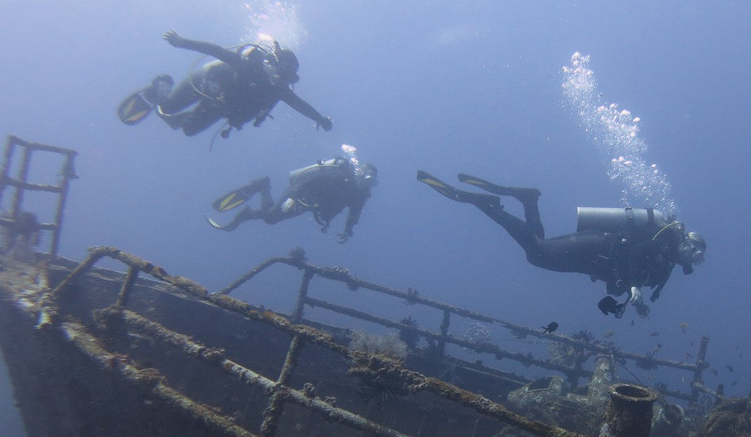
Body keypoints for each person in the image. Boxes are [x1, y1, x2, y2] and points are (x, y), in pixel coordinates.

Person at [417, 171, 705, 317]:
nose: (696, 258)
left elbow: (625, 274)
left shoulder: (667, 263)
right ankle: (491, 207)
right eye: (696, 251)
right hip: (597, 247)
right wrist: (632, 287)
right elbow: (639, 252)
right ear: (686, 243)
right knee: (537, 253)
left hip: (593, 257)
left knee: (538, 250)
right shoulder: (665, 244)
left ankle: (528, 200)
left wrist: (630, 292)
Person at [119, 30, 332, 138]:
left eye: (287, 77)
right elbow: (215, 51)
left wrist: (320, 119)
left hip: (219, 106)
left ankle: (171, 106)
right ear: (274, 65)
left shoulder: (279, 90)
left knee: (188, 131)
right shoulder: (250, 67)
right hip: (205, 82)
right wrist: (181, 42)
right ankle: (161, 88)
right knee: (167, 108)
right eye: (282, 72)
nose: (282, 79)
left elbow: (300, 105)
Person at [209, 146, 376, 243]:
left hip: (311, 203)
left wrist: (348, 232)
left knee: (273, 217)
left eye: (372, 181)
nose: (368, 182)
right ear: (359, 172)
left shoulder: (360, 195)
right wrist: (292, 197)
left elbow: (354, 214)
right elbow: (310, 179)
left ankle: (249, 213)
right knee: (272, 217)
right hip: (300, 190)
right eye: (368, 177)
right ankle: (263, 187)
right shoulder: (341, 175)